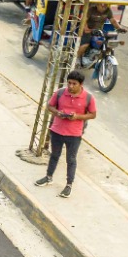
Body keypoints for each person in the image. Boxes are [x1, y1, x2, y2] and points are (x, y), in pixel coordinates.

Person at [35, 70, 95, 198]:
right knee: (54, 155)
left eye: (74, 84)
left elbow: (93, 114)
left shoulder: (88, 98)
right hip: (57, 130)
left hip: (74, 134)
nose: (71, 86)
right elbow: (50, 106)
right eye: (69, 83)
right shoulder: (60, 93)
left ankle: (69, 185)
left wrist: (77, 116)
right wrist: (58, 113)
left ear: (81, 84)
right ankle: (48, 177)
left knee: (71, 159)